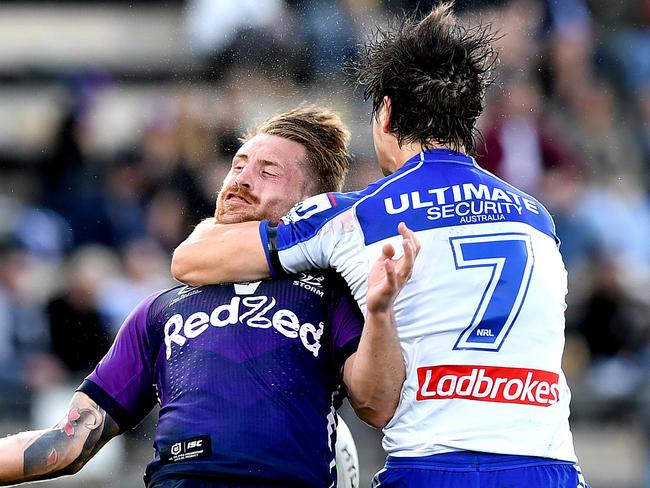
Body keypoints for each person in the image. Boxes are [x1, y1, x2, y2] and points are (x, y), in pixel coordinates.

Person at [171, 3, 589, 487]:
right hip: (551, 470)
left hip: (431, 469)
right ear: (468, 118)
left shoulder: (357, 215)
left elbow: (192, 261)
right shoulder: (536, 217)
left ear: (386, 112)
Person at [0, 106, 418, 488]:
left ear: (312, 205)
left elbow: (378, 405)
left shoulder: (330, 296)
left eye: (268, 171)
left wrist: (379, 313)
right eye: (238, 165)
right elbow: (68, 443)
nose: (241, 179)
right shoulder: (159, 310)